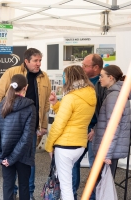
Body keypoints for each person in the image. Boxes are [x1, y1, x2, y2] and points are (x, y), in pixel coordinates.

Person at [0, 48, 51, 200]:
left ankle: (29, 193)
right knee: (21, 161)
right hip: (11, 124)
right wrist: (1, 117)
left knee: (26, 163)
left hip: (30, 125)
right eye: (35, 61)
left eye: (40, 61)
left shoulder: (44, 77)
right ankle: (15, 192)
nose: (38, 64)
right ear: (26, 61)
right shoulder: (12, 72)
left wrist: (43, 125)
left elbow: (45, 106)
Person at [45, 65, 97, 200]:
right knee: (67, 183)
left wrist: (49, 145)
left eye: (64, 76)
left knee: (66, 187)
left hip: (65, 146)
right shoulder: (90, 94)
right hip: (79, 144)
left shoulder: (71, 97)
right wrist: (56, 104)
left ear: (69, 78)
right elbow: (74, 116)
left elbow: (59, 124)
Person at [0, 74, 37, 200]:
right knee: (24, 187)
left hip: (5, 155)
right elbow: (27, 138)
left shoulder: (1, 106)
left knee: (7, 186)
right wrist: (11, 158)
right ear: (25, 88)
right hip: (23, 156)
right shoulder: (30, 107)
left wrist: (1, 157)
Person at [72, 54, 106, 200]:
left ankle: (92, 197)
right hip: (80, 128)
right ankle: (70, 194)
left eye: (85, 65)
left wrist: (96, 128)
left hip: (95, 131)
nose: (82, 67)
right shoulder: (80, 81)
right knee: (73, 162)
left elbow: (107, 111)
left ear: (96, 68)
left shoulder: (104, 83)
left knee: (94, 166)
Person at [92, 65, 130, 177]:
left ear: (111, 78)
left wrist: (107, 154)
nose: (99, 78)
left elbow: (113, 127)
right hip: (111, 148)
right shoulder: (117, 93)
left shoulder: (114, 96)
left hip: (108, 150)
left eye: (102, 76)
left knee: (103, 184)